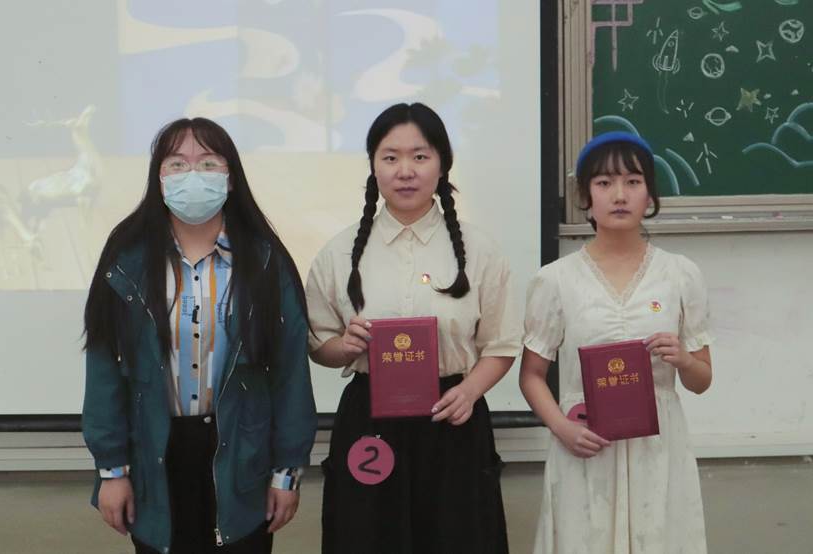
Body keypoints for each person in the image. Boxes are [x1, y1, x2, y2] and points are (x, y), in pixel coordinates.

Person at [82, 117, 317, 554]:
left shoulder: (265, 261)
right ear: (159, 179)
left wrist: (287, 472)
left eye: (208, 163)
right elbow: (103, 367)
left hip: (242, 451)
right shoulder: (127, 258)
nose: (192, 175)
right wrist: (112, 470)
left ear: (230, 179)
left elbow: (290, 375)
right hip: (155, 451)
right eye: (177, 164)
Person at [305, 102, 522, 554]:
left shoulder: (479, 250)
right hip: (369, 421)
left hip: (453, 417)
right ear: (373, 165)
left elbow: (500, 344)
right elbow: (317, 343)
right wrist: (345, 347)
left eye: (420, 156)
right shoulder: (338, 252)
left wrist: (469, 392)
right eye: (391, 157)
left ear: (442, 164)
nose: (405, 171)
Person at [519, 131, 713, 553]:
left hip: (657, 446)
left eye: (633, 181)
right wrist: (562, 428)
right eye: (604, 183)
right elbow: (532, 375)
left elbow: (701, 380)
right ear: (585, 197)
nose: (619, 195)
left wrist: (682, 359)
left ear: (650, 195)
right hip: (585, 442)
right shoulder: (555, 280)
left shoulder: (680, 274)